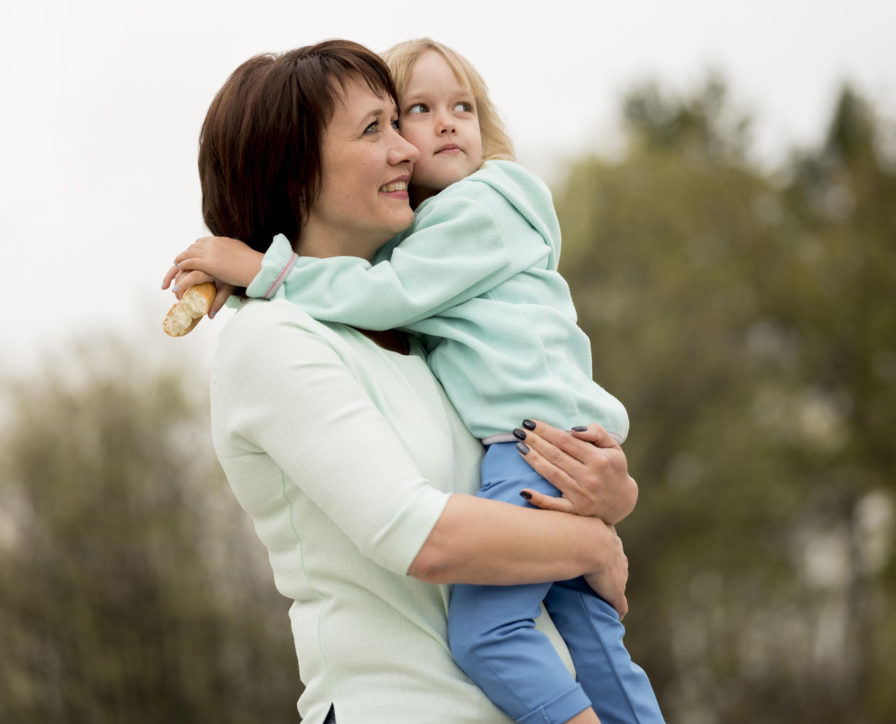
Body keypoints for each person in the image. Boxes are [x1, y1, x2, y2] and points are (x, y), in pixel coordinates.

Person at [168, 38, 663, 724]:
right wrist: (592, 544)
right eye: (378, 128)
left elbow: (516, 479)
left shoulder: (430, 338)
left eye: (399, 123)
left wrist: (611, 492)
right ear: (295, 177)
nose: (408, 148)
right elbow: (418, 532)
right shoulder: (275, 341)